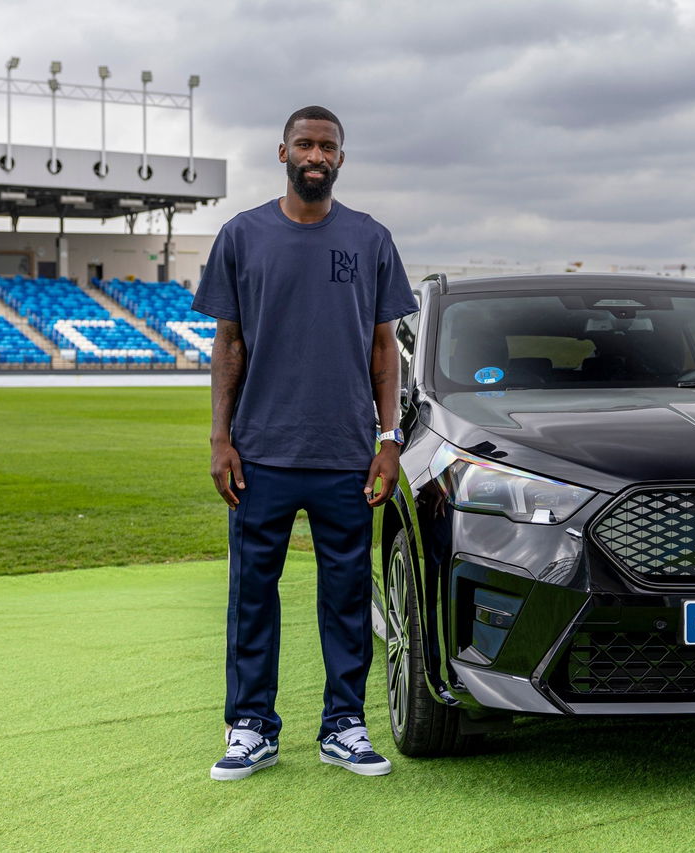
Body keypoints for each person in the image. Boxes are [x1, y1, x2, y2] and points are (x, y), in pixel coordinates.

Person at [192, 105, 418, 781]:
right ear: (283, 152)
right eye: (304, 143)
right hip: (259, 451)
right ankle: (251, 726)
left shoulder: (371, 239)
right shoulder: (242, 234)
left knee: (347, 595)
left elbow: (386, 349)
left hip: (347, 453)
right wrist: (219, 438)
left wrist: (388, 439)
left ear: (341, 158)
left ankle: (343, 723)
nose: (315, 154)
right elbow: (227, 342)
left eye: (327, 145)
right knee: (251, 593)